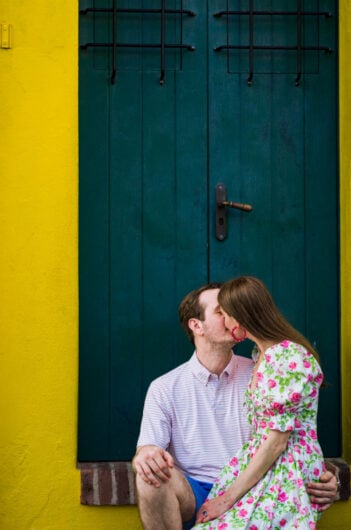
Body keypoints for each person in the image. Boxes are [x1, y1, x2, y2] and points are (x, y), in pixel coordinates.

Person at [132, 282, 337, 530]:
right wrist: (146, 456)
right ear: (197, 326)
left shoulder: (262, 370)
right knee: (149, 478)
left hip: (251, 485)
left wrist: (326, 478)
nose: (232, 316)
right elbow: (147, 449)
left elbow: (289, 436)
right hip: (193, 488)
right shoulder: (165, 387)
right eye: (221, 311)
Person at [193, 276, 327, 529]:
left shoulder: (289, 357)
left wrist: (227, 499)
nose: (222, 319)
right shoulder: (261, 355)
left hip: (286, 467)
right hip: (260, 462)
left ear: (239, 315)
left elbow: (278, 440)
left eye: (223, 313)